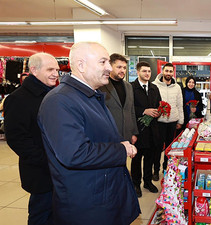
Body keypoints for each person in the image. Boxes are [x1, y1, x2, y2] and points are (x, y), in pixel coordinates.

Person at [37, 42, 140, 225]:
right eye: (103, 62)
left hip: (104, 196)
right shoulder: (59, 101)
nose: (109, 68)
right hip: (87, 206)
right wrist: (120, 150)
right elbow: (75, 153)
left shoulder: (91, 96)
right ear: (81, 65)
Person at [4, 53, 59, 225]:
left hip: (60, 170)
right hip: (41, 172)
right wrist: (46, 160)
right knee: (41, 215)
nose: (56, 74)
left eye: (57, 70)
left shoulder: (55, 95)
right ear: (34, 70)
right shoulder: (17, 99)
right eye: (50, 69)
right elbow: (16, 138)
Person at [131, 61, 161, 197]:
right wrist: (144, 111)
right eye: (144, 71)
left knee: (149, 158)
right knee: (137, 159)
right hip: (138, 130)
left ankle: (148, 182)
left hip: (152, 130)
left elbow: (159, 105)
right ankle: (136, 184)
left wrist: (159, 112)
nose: (147, 73)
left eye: (149, 71)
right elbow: (129, 109)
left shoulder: (155, 88)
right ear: (138, 72)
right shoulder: (131, 87)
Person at [152, 63, 184, 180]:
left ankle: (166, 168)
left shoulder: (177, 87)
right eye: (167, 71)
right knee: (157, 147)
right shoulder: (155, 85)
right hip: (159, 121)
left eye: (171, 71)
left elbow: (180, 105)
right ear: (163, 71)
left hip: (172, 121)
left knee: (170, 148)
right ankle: (155, 170)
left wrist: (180, 120)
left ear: (173, 73)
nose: (169, 73)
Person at [98, 53, 139, 145]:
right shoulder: (101, 86)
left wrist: (134, 132)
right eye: (119, 67)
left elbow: (131, 110)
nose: (122, 70)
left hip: (126, 134)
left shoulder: (128, 86)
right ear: (110, 67)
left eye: (124, 68)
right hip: (108, 136)